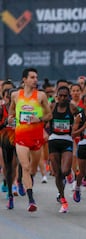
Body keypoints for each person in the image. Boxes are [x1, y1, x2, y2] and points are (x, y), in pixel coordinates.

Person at [8, 68, 52, 211]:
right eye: (32, 77)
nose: (35, 80)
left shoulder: (41, 96)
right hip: (20, 137)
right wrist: (11, 118)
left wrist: (38, 118)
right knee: (25, 167)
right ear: (24, 80)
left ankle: (26, 180)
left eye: (36, 77)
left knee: (32, 169)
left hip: (36, 138)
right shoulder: (15, 95)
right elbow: (12, 111)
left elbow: (49, 115)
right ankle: (31, 200)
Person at [49, 86, 78, 213]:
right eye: (60, 95)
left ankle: (70, 173)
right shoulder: (52, 107)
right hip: (53, 140)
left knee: (65, 171)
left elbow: (81, 118)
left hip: (67, 140)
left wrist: (77, 128)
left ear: (68, 96)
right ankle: (63, 199)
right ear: (57, 96)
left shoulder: (72, 108)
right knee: (57, 173)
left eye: (65, 96)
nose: (62, 98)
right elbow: (44, 117)